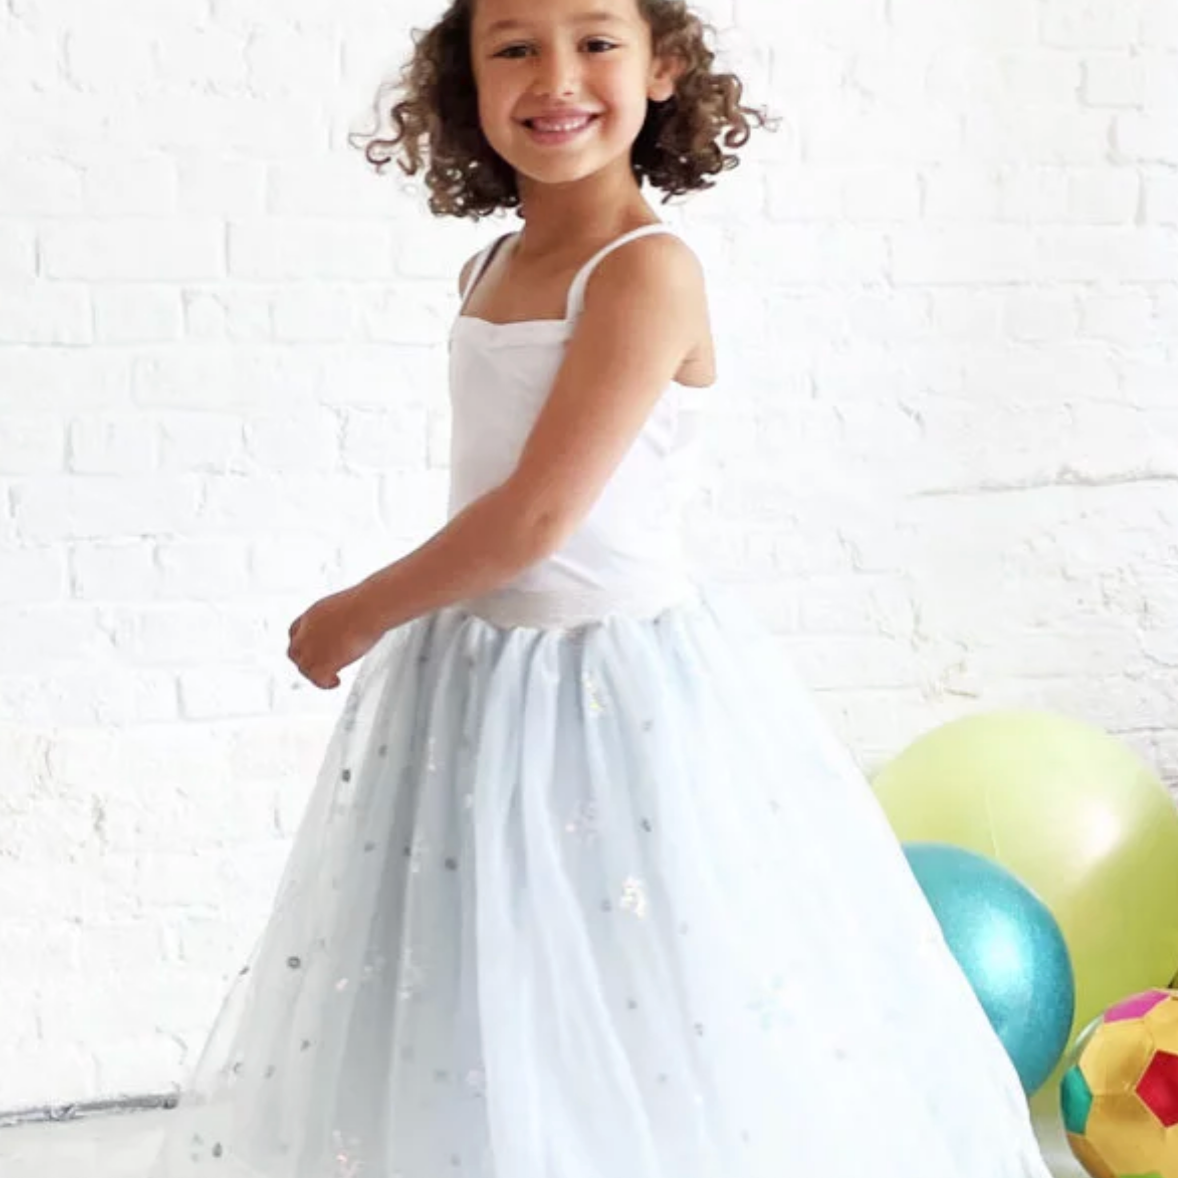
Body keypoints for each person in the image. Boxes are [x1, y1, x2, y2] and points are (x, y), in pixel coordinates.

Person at [148, 0, 1055, 1174]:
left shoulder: (645, 271)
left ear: (664, 67)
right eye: (512, 47)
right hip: (476, 674)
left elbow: (534, 516)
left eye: (595, 41)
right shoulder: (491, 261)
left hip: (610, 686)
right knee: (480, 976)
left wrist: (360, 609)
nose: (555, 76)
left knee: (640, 978)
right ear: (463, 82)